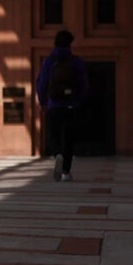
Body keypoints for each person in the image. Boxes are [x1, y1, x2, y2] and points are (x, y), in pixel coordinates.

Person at [36, 29, 89, 182]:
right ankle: (66, 172)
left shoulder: (49, 60)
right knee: (69, 138)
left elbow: (41, 83)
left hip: (54, 105)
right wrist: (79, 101)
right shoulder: (76, 61)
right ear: (70, 43)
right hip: (71, 105)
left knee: (53, 134)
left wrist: (43, 101)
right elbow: (84, 84)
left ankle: (57, 153)